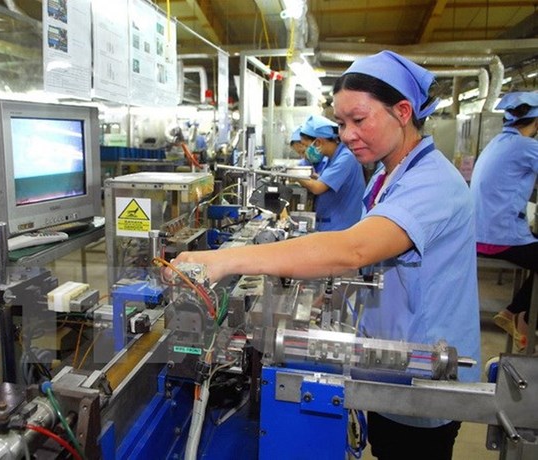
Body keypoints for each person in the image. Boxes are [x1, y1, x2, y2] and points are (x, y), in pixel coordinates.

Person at [173, 50, 481, 459]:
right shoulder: (394, 173)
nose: (348, 133)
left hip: (424, 370)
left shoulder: (433, 183)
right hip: (393, 362)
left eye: (359, 119)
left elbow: (355, 248)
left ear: (403, 111)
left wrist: (226, 260)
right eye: (341, 123)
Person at [470, 92, 538, 351]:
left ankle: (516, 314)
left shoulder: (497, 142)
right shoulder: (526, 146)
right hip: (499, 237)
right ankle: (518, 314)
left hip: (479, 233)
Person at [296, 114, 365, 231]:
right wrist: (316, 177)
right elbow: (328, 181)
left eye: (306, 146)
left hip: (341, 227)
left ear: (318, 142)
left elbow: (318, 188)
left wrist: (295, 175)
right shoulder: (331, 157)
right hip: (329, 224)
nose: (306, 150)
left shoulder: (346, 157)